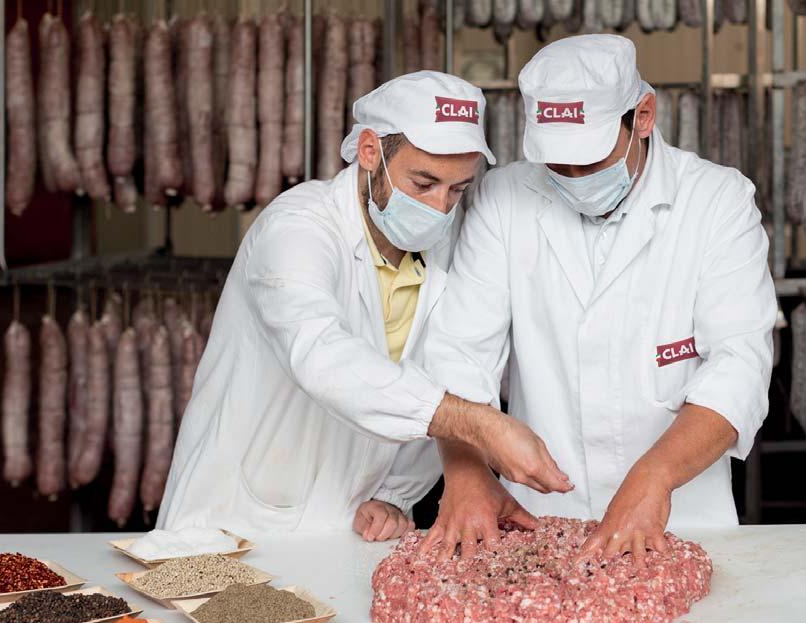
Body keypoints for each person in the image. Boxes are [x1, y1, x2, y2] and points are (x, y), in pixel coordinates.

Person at [157, 72, 570, 540]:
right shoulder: (297, 228)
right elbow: (321, 355)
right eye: (423, 183)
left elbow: (443, 368)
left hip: (348, 527)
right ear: (371, 152)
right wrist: (477, 424)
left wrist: (394, 494)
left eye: (457, 190)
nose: (439, 207)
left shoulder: (446, 241)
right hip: (234, 520)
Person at [417, 35, 778, 561]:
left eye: (589, 160)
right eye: (556, 164)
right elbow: (459, 353)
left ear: (644, 116)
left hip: (683, 516)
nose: (572, 178)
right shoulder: (505, 198)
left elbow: (740, 367)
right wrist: (466, 472)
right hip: (536, 519)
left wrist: (656, 476)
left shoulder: (717, 201)